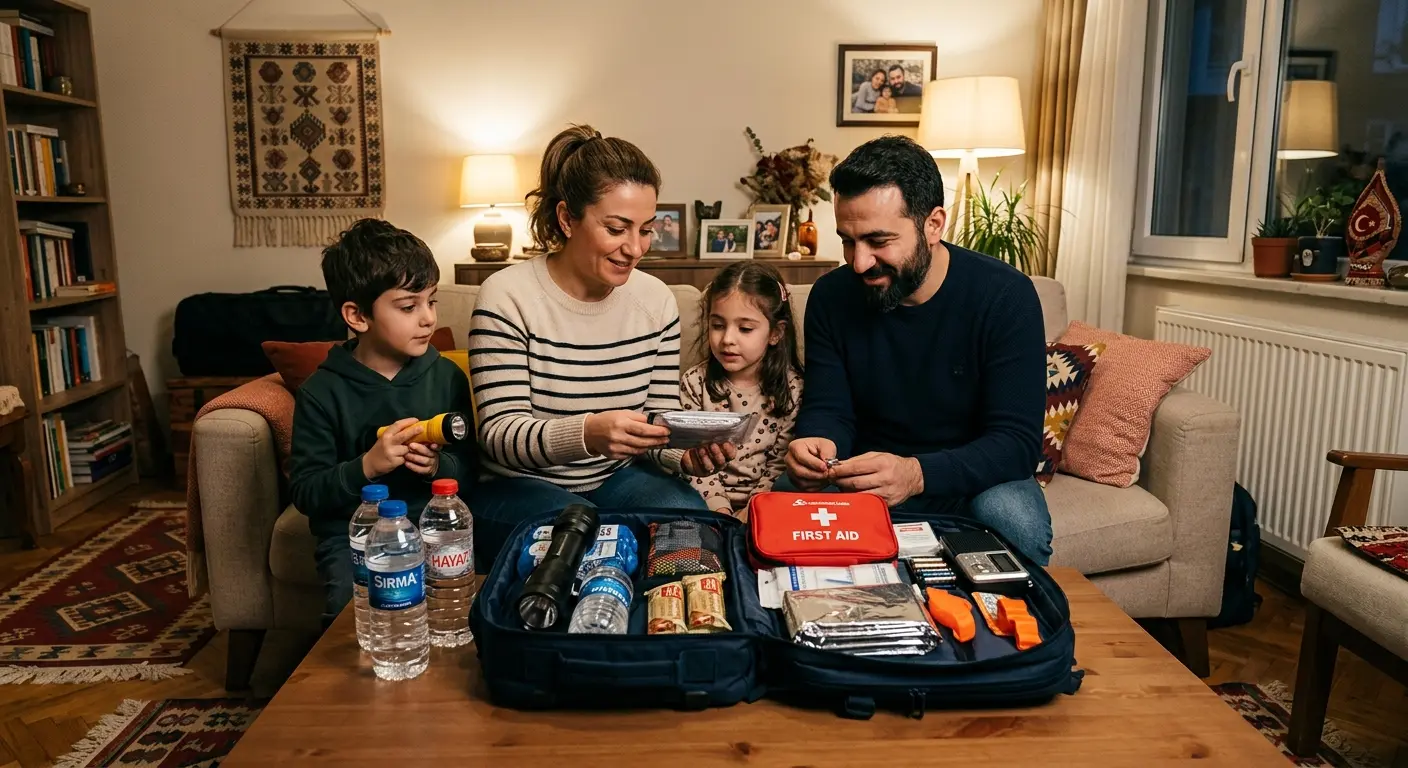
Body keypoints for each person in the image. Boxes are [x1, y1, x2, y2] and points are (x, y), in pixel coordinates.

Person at [468, 124, 733, 569]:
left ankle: (670, 632)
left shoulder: (655, 302)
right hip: (519, 486)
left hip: (616, 480)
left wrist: (683, 454)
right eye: (616, 228)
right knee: (577, 531)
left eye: (647, 229)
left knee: (688, 522)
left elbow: (654, 424)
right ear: (567, 219)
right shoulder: (506, 296)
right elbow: (498, 436)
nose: (635, 248)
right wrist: (587, 433)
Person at [780, 135, 1052, 565]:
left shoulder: (1006, 296)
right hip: (865, 476)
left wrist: (917, 473)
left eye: (879, 241)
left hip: (973, 480)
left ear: (933, 224)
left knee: (1012, 514)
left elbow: (1015, 444)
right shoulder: (831, 297)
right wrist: (818, 443)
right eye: (848, 241)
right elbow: (829, 407)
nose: (859, 262)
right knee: (785, 497)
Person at [289, 219, 479, 627]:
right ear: (357, 316)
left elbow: (472, 467)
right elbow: (306, 492)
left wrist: (436, 468)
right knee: (348, 614)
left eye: (432, 301)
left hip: (435, 529)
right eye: (409, 307)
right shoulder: (321, 393)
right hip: (356, 538)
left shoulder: (446, 378)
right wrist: (367, 466)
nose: (427, 318)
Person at [680, 261, 803, 521]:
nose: (727, 339)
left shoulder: (792, 388)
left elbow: (780, 465)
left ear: (775, 333)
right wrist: (720, 508)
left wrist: (753, 511)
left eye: (745, 329)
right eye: (717, 325)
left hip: (767, 501)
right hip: (703, 499)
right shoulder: (694, 383)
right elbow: (690, 461)